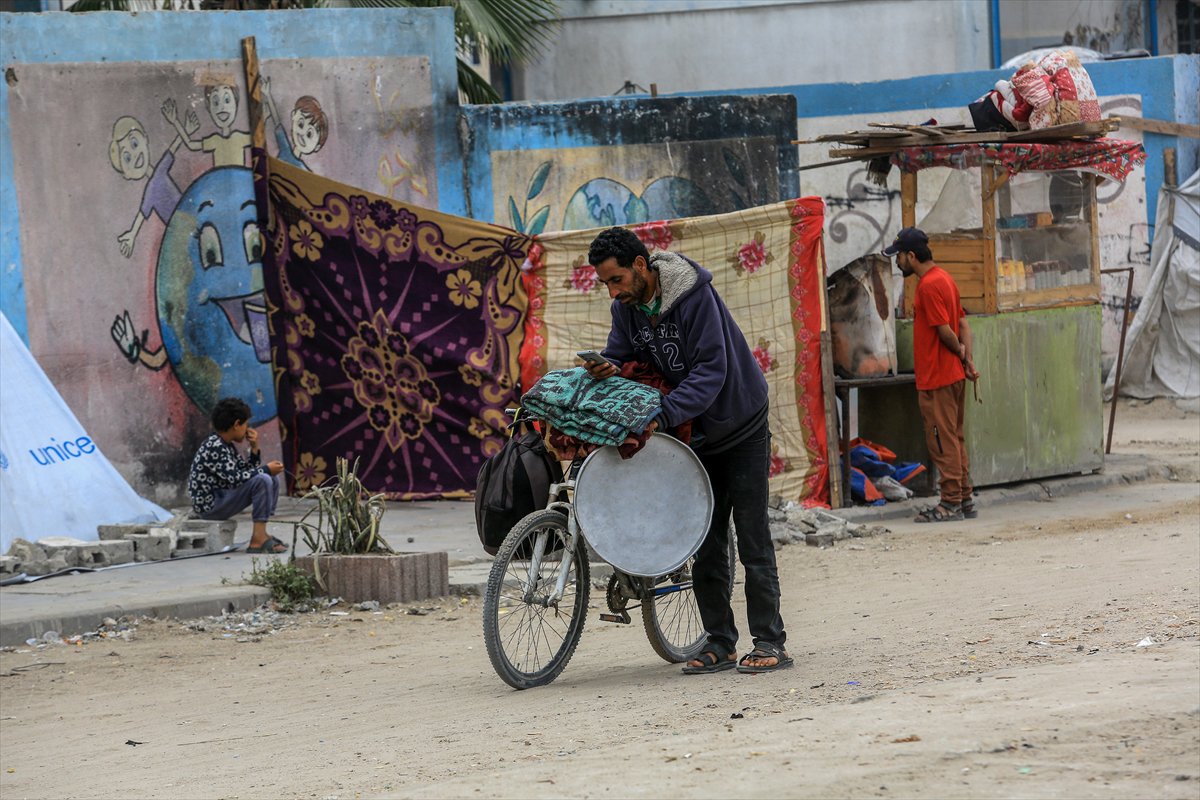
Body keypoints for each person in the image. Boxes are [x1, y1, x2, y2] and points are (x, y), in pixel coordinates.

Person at [583, 227, 792, 674]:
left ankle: (770, 642)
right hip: (695, 434)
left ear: (641, 266)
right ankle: (719, 643)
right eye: (606, 284)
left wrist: (662, 415)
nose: (613, 291)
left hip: (740, 422)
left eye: (616, 279)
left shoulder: (692, 296)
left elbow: (710, 371)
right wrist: (608, 366)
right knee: (707, 540)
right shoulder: (627, 307)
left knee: (752, 538)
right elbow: (623, 355)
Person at [883, 227, 980, 523]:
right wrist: (967, 359)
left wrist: (961, 354)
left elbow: (946, 331)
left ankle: (950, 502)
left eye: (899, 256)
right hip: (951, 376)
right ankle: (963, 498)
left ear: (911, 256)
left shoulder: (928, 286)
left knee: (941, 440)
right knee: (954, 438)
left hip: (938, 377)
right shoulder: (945, 279)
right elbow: (963, 325)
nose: (897, 262)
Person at [187, 397, 287, 554]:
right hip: (210, 506)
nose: (248, 428)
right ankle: (258, 539)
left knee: (270, 479)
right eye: (246, 424)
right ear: (236, 425)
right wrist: (266, 469)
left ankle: (262, 532)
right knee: (263, 478)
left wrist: (254, 448)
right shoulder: (214, 446)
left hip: (222, 499)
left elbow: (245, 472)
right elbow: (235, 479)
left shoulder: (226, 445)